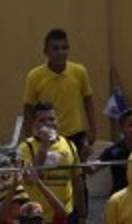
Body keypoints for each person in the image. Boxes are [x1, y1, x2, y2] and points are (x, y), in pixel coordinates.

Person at [18, 101, 83, 224]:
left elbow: (77, 180)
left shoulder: (69, 146)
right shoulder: (26, 148)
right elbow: (30, 176)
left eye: (51, 119)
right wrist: (44, 147)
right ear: (34, 124)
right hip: (37, 220)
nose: (48, 124)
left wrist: (80, 213)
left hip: (63, 216)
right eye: (42, 120)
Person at [22, 29, 96, 160]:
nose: (60, 52)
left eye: (64, 48)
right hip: (47, 136)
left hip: (75, 135)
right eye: (55, 49)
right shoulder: (34, 76)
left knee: (78, 171)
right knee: (50, 170)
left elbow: (88, 100)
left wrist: (93, 129)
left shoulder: (79, 72)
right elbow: (28, 108)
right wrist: (29, 137)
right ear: (46, 52)